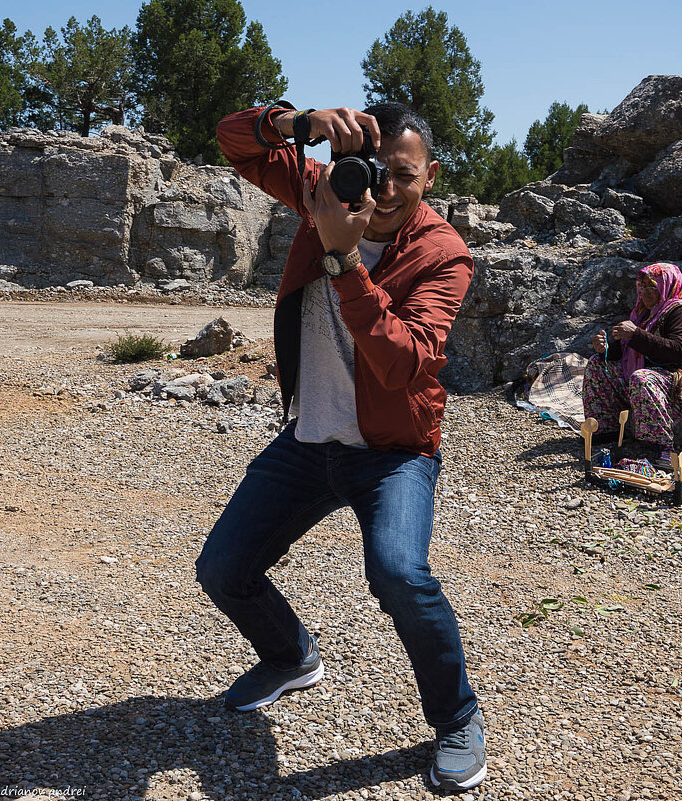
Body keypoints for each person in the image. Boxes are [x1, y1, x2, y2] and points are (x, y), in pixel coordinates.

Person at [195, 100, 486, 791]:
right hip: (310, 439)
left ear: (431, 177)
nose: (382, 187)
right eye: (372, 168)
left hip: (393, 452)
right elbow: (232, 142)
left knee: (398, 573)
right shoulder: (324, 188)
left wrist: (342, 256)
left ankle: (458, 718)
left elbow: (404, 361)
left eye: (404, 175)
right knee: (222, 567)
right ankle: (292, 654)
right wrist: (298, 125)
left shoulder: (443, 253)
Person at [583, 262, 682, 451]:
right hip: (661, 377)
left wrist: (635, 334)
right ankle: (606, 429)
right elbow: (627, 351)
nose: (645, 292)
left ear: (668, 285)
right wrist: (605, 349)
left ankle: (655, 445)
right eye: (642, 286)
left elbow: (678, 350)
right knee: (597, 364)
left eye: (652, 286)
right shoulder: (645, 314)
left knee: (643, 378)